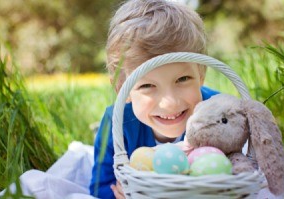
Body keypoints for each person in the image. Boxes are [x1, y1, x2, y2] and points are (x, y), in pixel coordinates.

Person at [89, 0, 219, 198]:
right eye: (147, 86)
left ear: (201, 73)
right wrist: (117, 194)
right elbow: (100, 186)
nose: (170, 103)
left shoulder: (218, 113)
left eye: (182, 79)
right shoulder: (115, 122)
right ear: (122, 89)